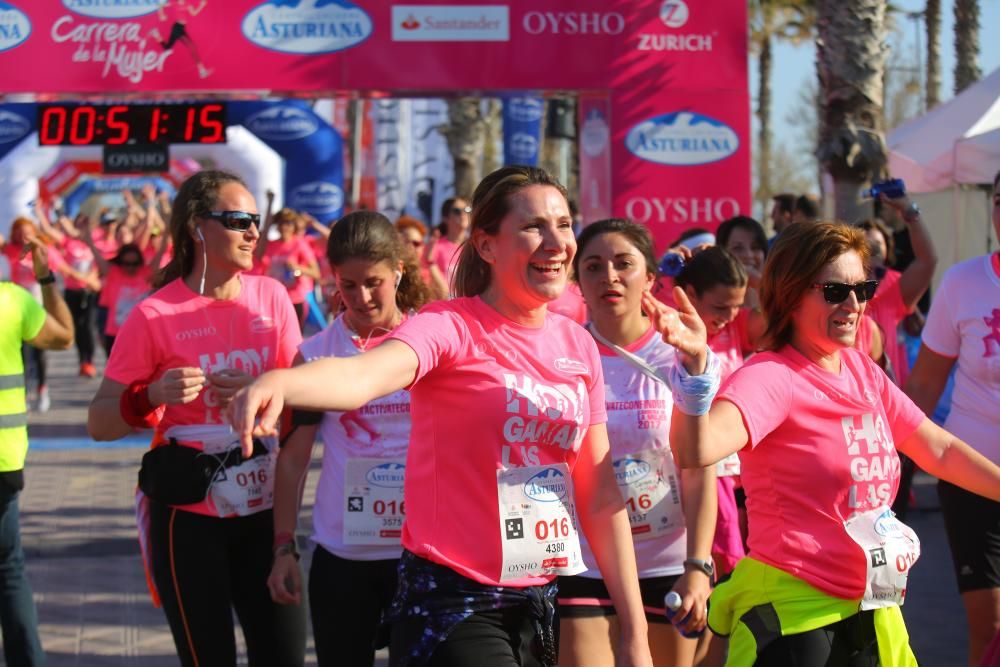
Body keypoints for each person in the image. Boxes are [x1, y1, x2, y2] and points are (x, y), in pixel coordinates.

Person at [230, 166, 655, 667]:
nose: (556, 242)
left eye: (563, 224)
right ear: (487, 245)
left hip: (538, 600)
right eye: (533, 226)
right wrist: (282, 381)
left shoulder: (577, 343)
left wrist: (635, 630)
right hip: (451, 603)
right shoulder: (448, 326)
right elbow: (363, 376)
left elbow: (600, 493)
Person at [656, 220, 1000, 664]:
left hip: (874, 609)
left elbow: (939, 449)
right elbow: (695, 451)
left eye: (864, 289)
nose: (855, 305)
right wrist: (696, 372)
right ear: (792, 294)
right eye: (836, 291)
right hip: (796, 615)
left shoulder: (861, 370)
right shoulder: (772, 377)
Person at [86, 170, 306, 666]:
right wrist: (150, 396)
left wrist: (263, 393)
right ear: (195, 227)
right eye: (237, 220)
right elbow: (100, 422)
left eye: (254, 220)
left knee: (284, 655)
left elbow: (299, 406)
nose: (253, 231)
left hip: (264, 506)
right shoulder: (154, 314)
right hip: (189, 516)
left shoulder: (272, 298)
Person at [269, 211, 433, 666]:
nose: (361, 298)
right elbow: (293, 458)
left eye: (374, 282)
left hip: (423, 556)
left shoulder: (433, 340)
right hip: (344, 556)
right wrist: (284, 546)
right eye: (348, 285)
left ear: (398, 272)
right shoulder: (317, 354)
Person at [558, 219, 717, 666]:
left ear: (649, 276)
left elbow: (698, 467)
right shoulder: (560, 359)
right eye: (592, 266)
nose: (608, 276)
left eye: (623, 264)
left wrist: (697, 566)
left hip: (668, 563)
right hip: (584, 561)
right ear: (577, 281)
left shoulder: (680, 354)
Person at [905, 169, 1000, 667]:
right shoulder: (965, 283)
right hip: (973, 478)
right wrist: (890, 463)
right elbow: (923, 385)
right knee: (991, 630)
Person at [0, 238, 74, 666]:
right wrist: (46, 277)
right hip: (4, 461)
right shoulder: (10, 301)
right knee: (8, 572)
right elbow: (64, 337)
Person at [1, 218, 71, 412]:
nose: (24, 237)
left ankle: (42, 389)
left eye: (28, 232)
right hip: (14, 307)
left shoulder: (43, 251)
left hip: (38, 307)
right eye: (20, 233)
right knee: (20, 354)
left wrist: (86, 279)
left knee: (40, 353)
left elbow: (65, 268)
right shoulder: (10, 250)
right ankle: (21, 394)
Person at [257, 207, 321, 330]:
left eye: (288, 223)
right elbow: (259, 258)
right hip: (274, 299)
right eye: (281, 223)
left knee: (295, 338)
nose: (284, 227)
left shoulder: (300, 244)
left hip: (295, 299)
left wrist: (297, 268)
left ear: (293, 226)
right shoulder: (271, 245)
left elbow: (316, 273)